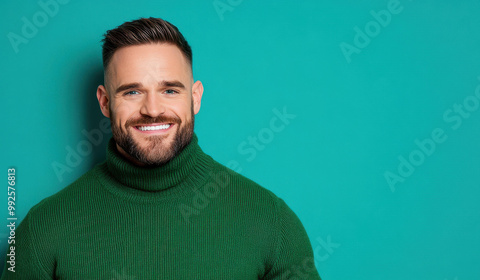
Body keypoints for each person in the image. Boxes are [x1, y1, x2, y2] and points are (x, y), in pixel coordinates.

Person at [1, 17, 321, 279]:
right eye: (131, 92)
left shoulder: (270, 220)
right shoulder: (43, 227)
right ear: (104, 102)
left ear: (195, 97)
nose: (152, 109)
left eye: (169, 90)